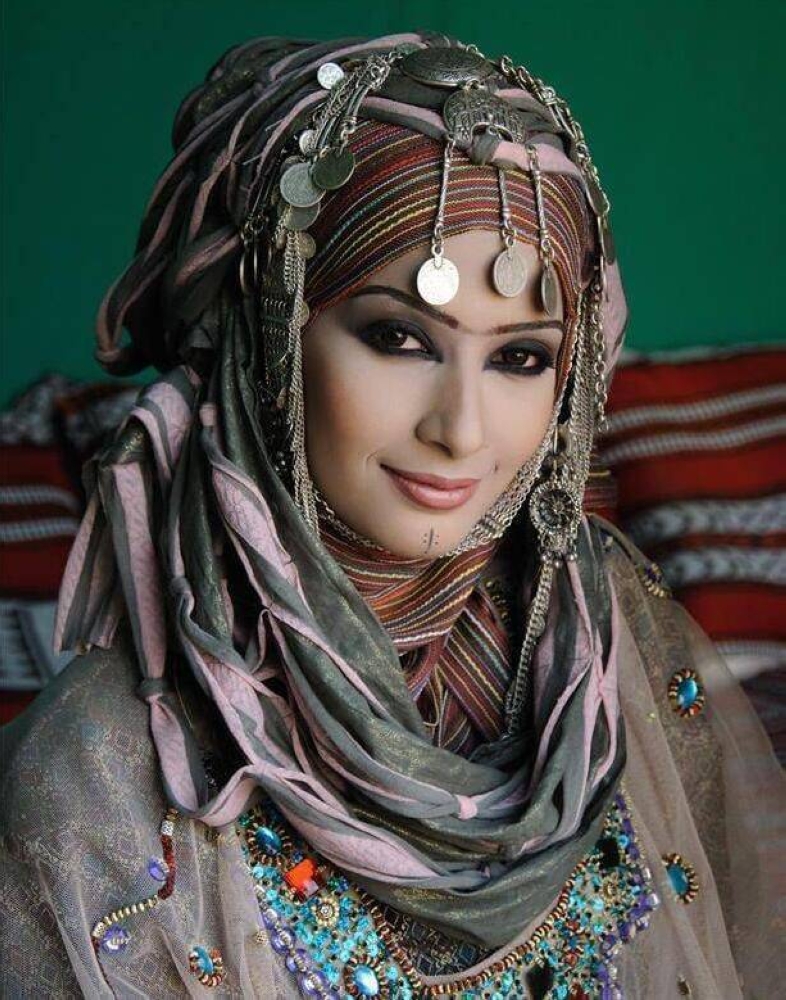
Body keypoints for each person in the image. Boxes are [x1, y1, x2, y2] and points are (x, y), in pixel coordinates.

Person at [1, 32, 784, 1000]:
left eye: (522, 358)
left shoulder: (604, 647)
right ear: (270, 337)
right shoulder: (102, 776)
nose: (461, 430)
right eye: (398, 337)